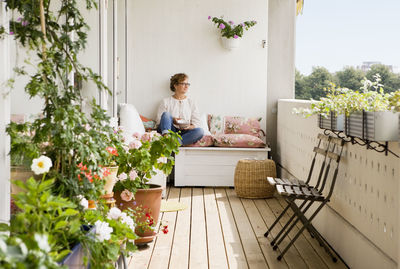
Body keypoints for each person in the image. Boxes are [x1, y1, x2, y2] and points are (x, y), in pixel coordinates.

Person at [156, 73, 204, 145]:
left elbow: (197, 123)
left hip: (184, 133)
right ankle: (167, 138)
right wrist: (172, 119)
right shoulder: (166, 101)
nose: (186, 86)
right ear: (175, 85)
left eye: (187, 84)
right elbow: (159, 121)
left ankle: (175, 143)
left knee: (200, 131)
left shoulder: (191, 102)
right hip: (170, 130)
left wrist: (188, 127)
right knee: (166, 114)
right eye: (183, 84)